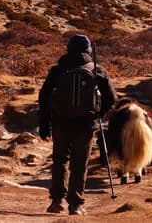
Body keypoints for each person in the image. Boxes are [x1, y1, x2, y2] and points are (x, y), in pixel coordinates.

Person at [38, 34, 117, 216]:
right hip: (86, 124)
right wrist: (98, 116)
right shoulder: (98, 70)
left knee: (60, 160)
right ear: (89, 50)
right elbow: (111, 99)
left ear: (68, 49)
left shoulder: (57, 70)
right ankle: (76, 205)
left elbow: (44, 97)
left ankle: (56, 201)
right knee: (80, 163)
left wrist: (44, 123)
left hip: (61, 123)